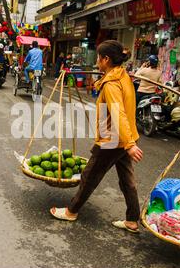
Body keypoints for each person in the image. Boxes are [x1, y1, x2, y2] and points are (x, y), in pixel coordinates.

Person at [50, 40, 143, 233]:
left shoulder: (111, 84)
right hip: (124, 139)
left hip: (113, 140)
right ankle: (133, 220)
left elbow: (119, 114)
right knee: (127, 180)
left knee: (89, 176)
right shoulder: (123, 76)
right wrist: (130, 142)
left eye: (99, 58)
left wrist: (129, 144)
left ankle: (71, 211)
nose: (97, 62)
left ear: (106, 59)